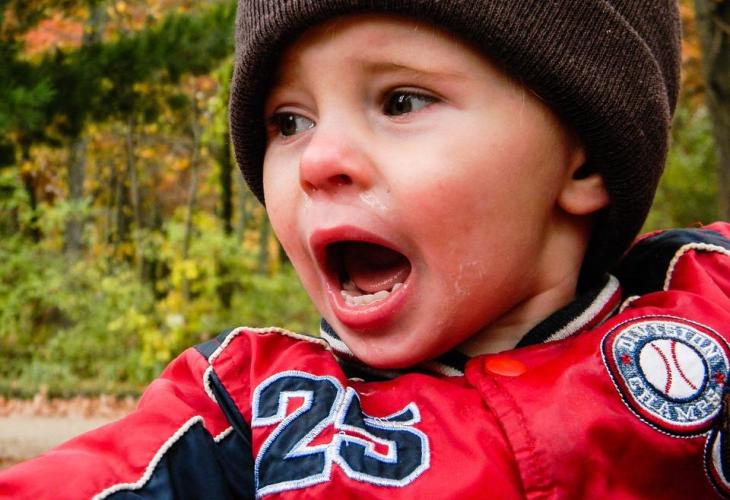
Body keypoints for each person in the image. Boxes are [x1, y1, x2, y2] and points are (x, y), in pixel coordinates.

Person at [3, 0, 730, 498]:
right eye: (289, 122)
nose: (319, 160)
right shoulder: (247, 414)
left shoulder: (709, 297)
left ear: (584, 162)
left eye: (400, 101)